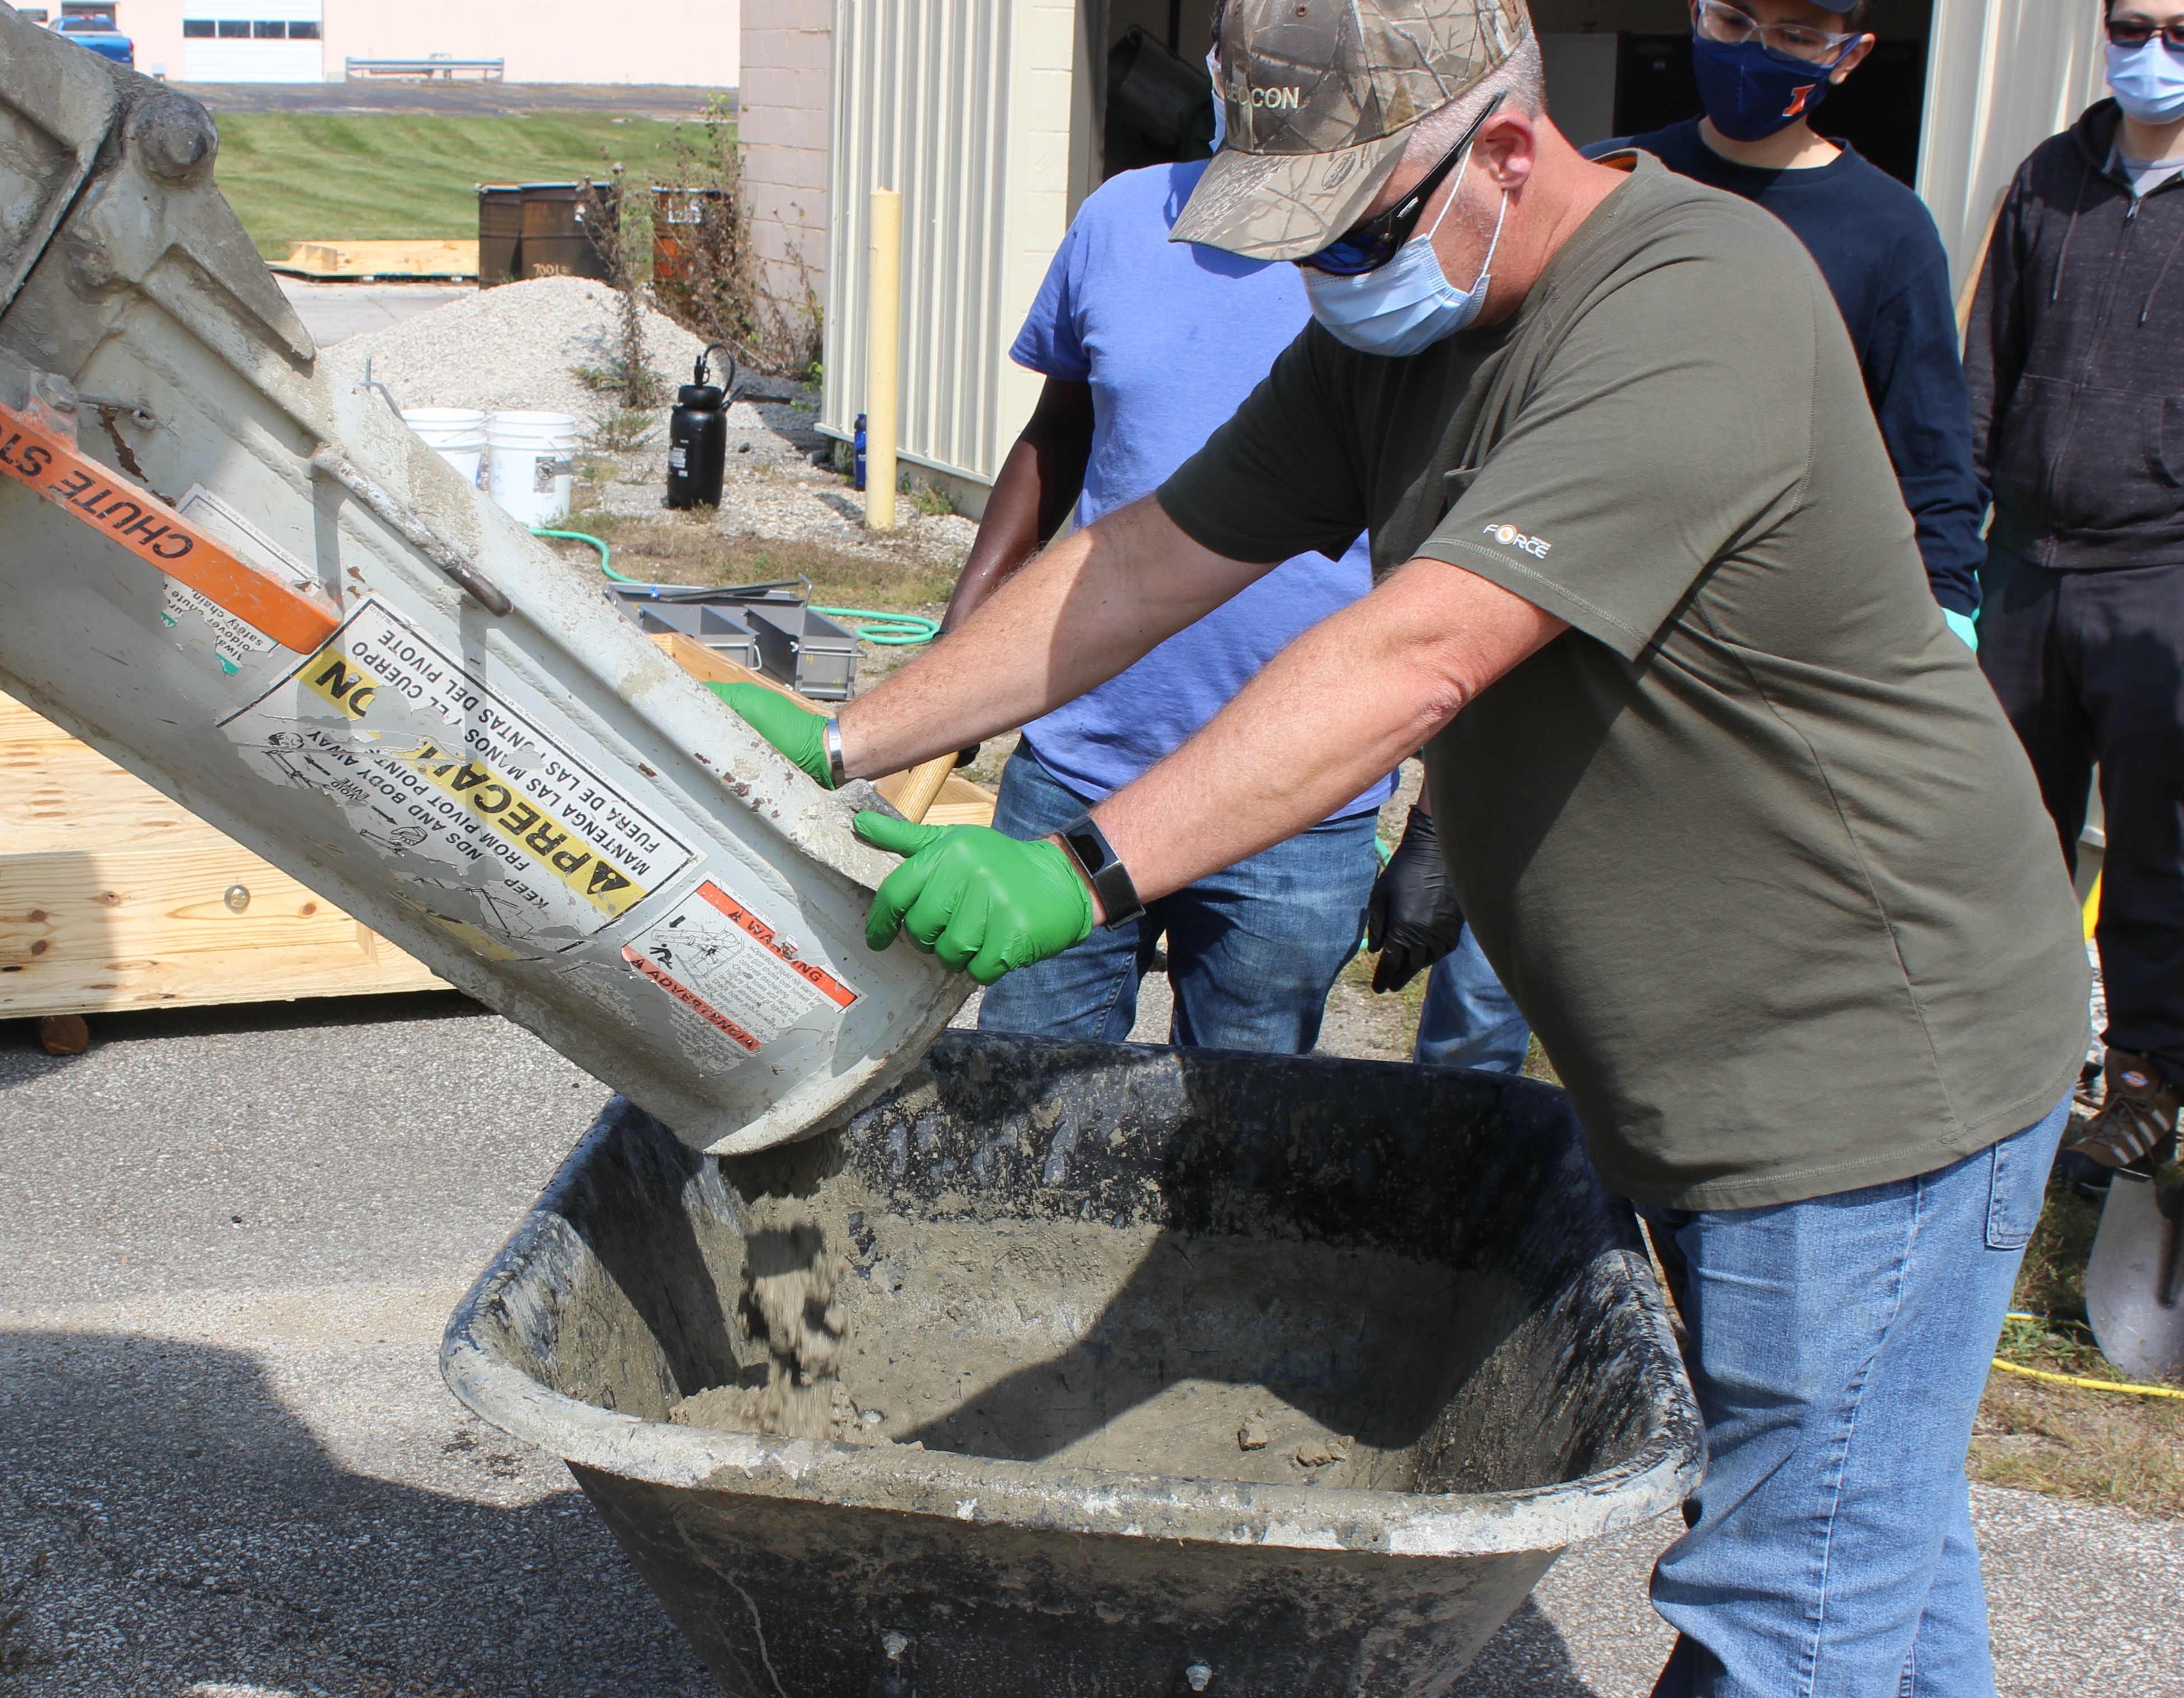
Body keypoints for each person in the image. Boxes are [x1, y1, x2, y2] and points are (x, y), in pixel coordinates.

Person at [709, 2, 2089, 1691]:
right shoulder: (1390, 337)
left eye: (1354, 227)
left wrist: (1079, 869)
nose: (1326, 274)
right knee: (1863, 1539)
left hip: (1866, 1060)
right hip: (1703, 1064)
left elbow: (1412, 653)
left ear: (1504, 148)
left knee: (1790, 1597)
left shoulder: (1694, 305)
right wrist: (861, 731)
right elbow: (1146, 555)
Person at [1401, 0, 1994, 1074]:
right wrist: (1439, 816)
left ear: (1852, 54)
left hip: (1734, 693)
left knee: (1689, 1022)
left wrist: (1942, 629)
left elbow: (1936, 469)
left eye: (1797, 34)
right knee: (1481, 1010)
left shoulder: (1885, 232)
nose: (1754, 49)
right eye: (1735, 15)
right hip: (1554, 647)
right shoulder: (1618, 184)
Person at [943, 10, 1389, 1055]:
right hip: (1083, 763)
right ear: (1222, 73)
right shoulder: (1120, 217)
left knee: (1235, 1141)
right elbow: (1057, 435)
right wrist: (966, 640)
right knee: (1020, 1101)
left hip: (1292, 796)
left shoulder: (1391, 260)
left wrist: (1437, 829)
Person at [1967, 0, 2184, 1175]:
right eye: (2131, 23)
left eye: (2176, 28)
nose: (2148, 51)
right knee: (2001, 825)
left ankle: (2145, 1080)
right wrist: (1954, 552)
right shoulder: (2049, 175)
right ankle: (2005, 1063)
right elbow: (1982, 360)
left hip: (2160, 569)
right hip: (2022, 564)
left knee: (2159, 839)